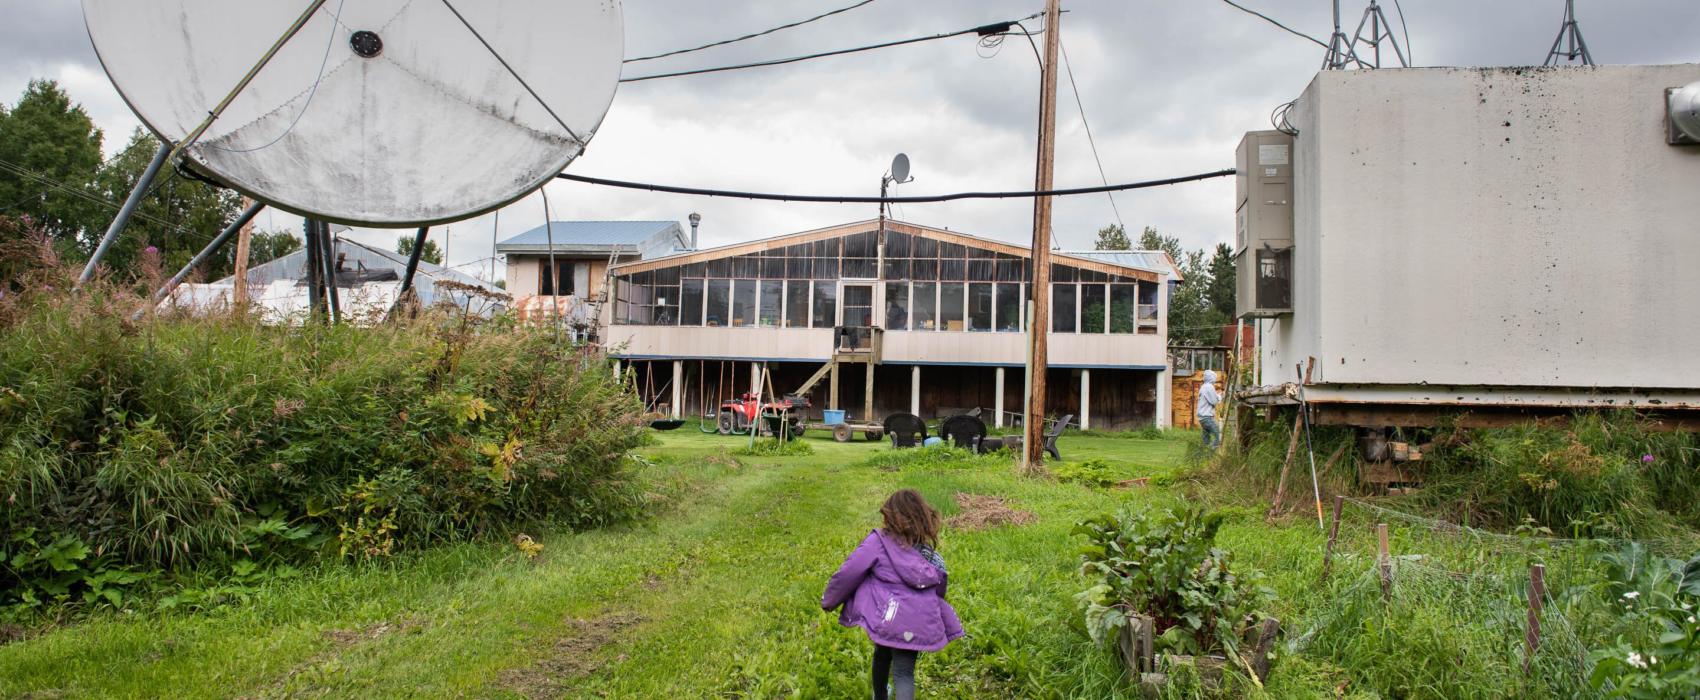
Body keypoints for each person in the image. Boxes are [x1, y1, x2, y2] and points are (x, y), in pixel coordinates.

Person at [822, 490, 964, 700]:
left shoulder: (878, 542)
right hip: (917, 621)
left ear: (889, 516)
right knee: (904, 673)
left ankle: (880, 696)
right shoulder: (929, 554)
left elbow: (850, 571)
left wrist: (830, 600)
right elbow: (939, 586)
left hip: (887, 616)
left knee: (881, 656)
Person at [1197, 369, 1222, 449]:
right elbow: (1214, 401)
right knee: (1218, 435)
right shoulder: (1209, 387)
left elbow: (1211, 398)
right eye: (1214, 377)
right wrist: (1220, 396)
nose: (1215, 379)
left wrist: (1217, 396)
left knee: (1206, 438)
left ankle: (1204, 452)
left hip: (1202, 417)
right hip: (1207, 416)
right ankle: (1212, 451)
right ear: (1211, 378)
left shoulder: (1203, 386)